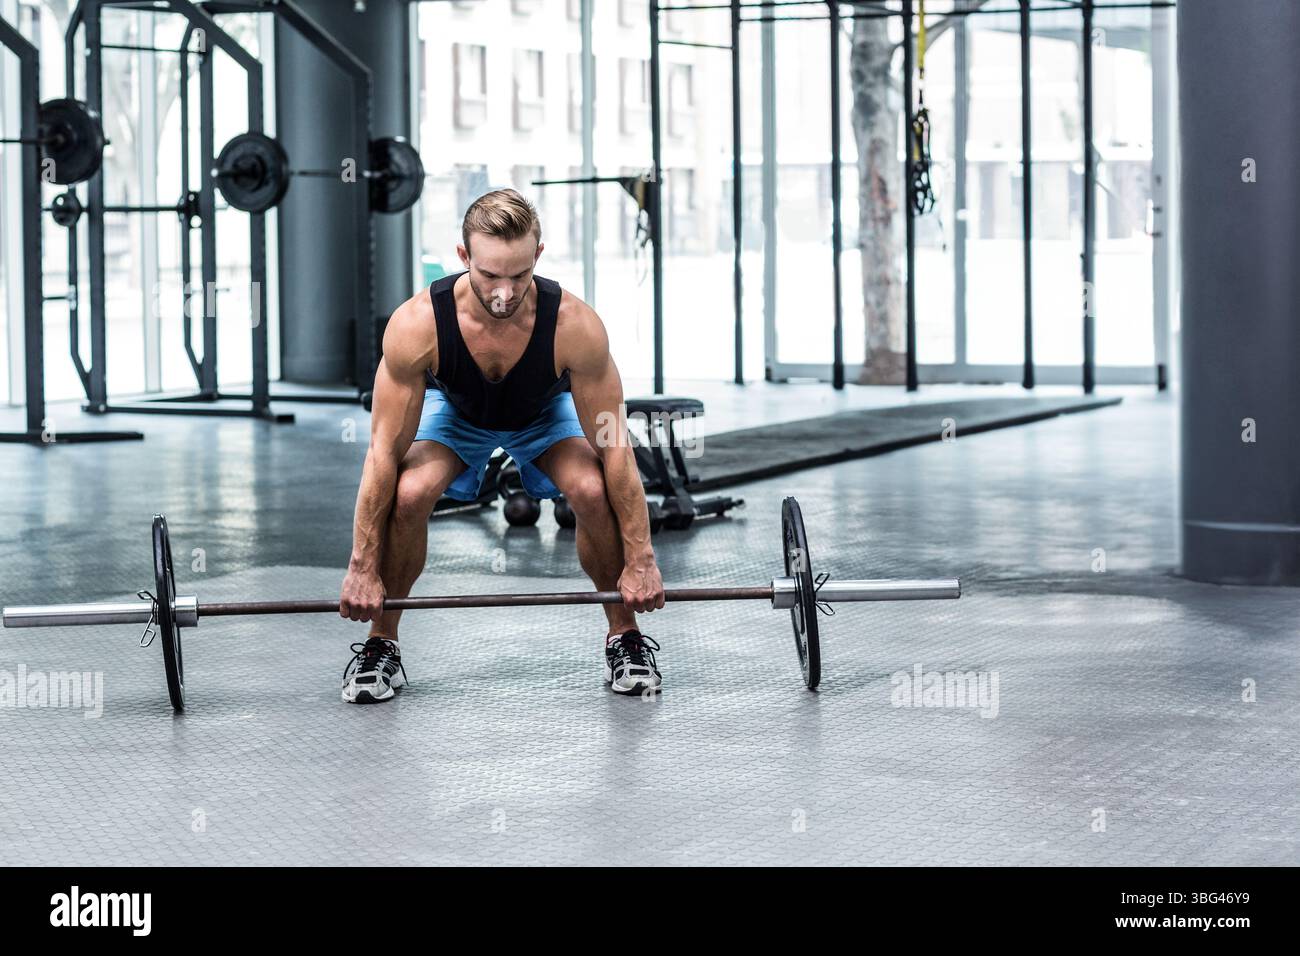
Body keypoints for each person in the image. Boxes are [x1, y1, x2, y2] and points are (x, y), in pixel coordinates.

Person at [338, 189, 665, 703]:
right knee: (408, 492)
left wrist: (642, 558)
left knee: (590, 488)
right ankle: (383, 644)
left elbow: (615, 447)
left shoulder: (575, 327)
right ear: (463, 257)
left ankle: (623, 635)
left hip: (542, 414)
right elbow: (382, 451)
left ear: (538, 255)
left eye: (519, 275)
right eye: (490, 275)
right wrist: (361, 566)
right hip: (460, 414)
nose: (505, 293)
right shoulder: (418, 325)